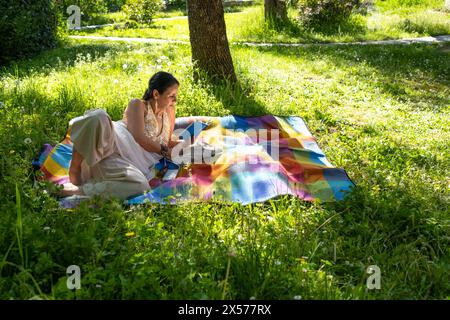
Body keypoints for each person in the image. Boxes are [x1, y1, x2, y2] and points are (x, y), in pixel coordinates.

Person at [62, 71, 181, 199]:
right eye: (171, 95)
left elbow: (167, 141)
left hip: (124, 162)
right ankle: (75, 167)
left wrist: (187, 148)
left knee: (140, 186)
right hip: (112, 142)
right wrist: (166, 151)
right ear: (156, 94)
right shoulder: (138, 105)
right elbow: (139, 137)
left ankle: (79, 190)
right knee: (98, 117)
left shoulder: (170, 110)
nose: (175, 99)